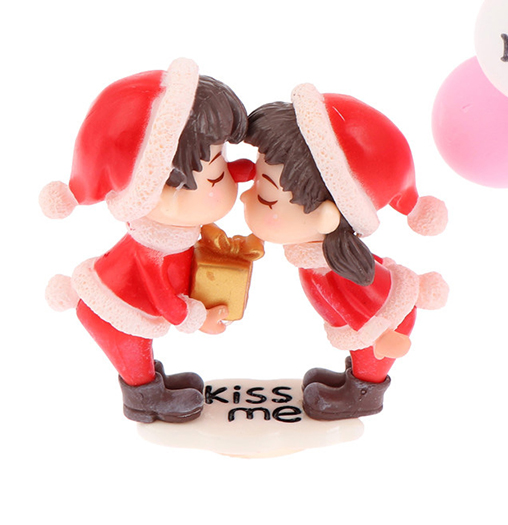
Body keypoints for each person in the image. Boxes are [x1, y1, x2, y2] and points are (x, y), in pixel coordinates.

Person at [41, 57, 253, 423]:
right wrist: (199, 318)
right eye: (214, 174)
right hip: (112, 311)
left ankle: (154, 383)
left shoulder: (174, 234)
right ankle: (145, 399)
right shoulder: (153, 253)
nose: (226, 180)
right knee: (132, 351)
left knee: (139, 350)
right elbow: (163, 299)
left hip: (117, 302)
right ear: (150, 190)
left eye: (221, 160)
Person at [241, 83, 448, 420]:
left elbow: (357, 308)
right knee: (359, 347)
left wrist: (382, 335)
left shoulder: (329, 271)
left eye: (266, 196)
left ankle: (362, 394)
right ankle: (354, 380)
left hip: (385, 322)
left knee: (367, 353)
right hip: (382, 315)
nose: (244, 197)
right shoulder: (318, 260)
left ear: (326, 216)